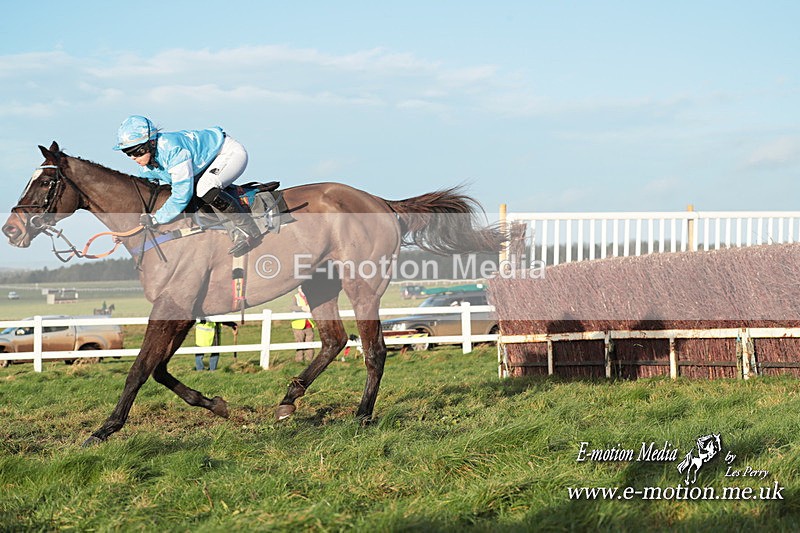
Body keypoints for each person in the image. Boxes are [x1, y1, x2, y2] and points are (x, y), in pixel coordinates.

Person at [113, 115, 260, 256]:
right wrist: (129, 230)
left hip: (228, 153)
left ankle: (248, 229)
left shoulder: (173, 150)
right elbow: (148, 198)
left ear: (151, 143)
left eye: (137, 151)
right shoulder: (145, 167)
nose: (133, 157)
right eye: (128, 153)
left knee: (204, 188)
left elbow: (181, 195)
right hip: (206, 164)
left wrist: (157, 219)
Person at [290, 287, 315, 362]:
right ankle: (299, 361)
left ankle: (309, 360)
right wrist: (302, 308)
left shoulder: (311, 296)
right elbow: (292, 307)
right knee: (299, 343)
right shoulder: (296, 297)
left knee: (310, 343)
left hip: (309, 323)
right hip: (298, 324)